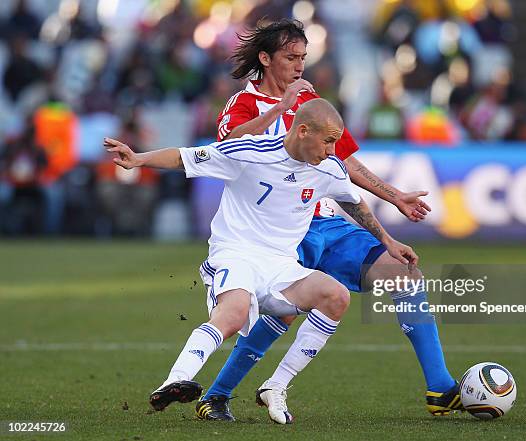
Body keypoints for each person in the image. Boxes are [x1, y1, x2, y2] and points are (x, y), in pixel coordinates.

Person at [192, 19, 462, 422]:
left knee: (404, 273)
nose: (299, 66)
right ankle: (217, 395)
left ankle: (440, 388)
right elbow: (228, 148)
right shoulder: (244, 105)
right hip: (276, 230)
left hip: (325, 223)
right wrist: (283, 107)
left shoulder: (311, 101)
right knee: (280, 312)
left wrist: (395, 195)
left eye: (303, 57)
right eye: (290, 58)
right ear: (265, 59)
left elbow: (343, 160)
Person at [104, 99, 418, 424]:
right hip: (236, 254)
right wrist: (139, 158)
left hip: (282, 266)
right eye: (327, 141)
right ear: (303, 131)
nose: (332, 149)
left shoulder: (329, 168)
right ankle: (174, 381)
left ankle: (276, 385)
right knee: (233, 315)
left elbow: (355, 205)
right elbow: (186, 157)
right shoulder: (250, 153)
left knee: (336, 297)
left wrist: (388, 241)